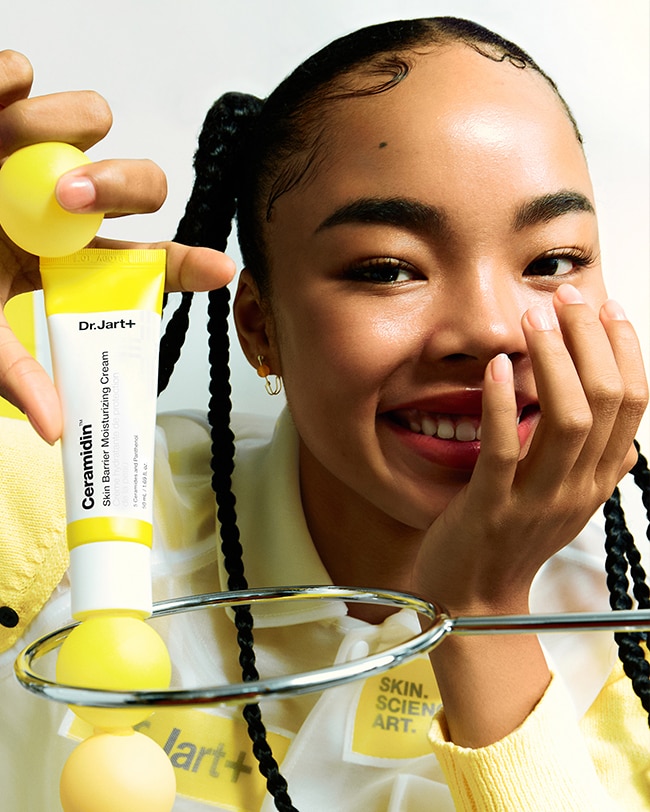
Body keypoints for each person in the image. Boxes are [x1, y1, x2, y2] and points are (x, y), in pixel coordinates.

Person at [0, 15, 649, 812]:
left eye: (552, 261)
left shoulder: (629, 656)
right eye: (386, 269)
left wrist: (482, 608)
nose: (487, 331)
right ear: (260, 327)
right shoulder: (60, 513)